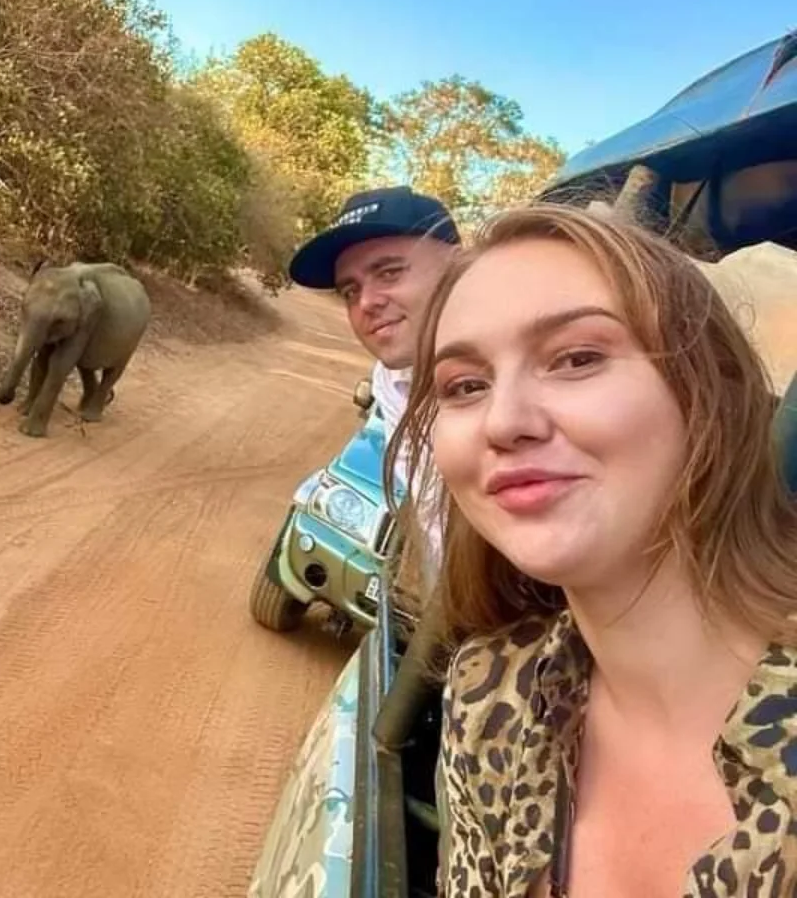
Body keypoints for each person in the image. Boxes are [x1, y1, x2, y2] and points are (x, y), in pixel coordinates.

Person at [392, 203, 797, 897]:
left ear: (711, 395)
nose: (505, 421)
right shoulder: (492, 697)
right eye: (465, 386)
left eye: (577, 358)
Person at [288, 184, 460, 576]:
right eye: (350, 291)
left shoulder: (529, 371)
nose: (366, 303)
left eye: (389, 272)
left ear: (458, 264)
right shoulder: (392, 380)